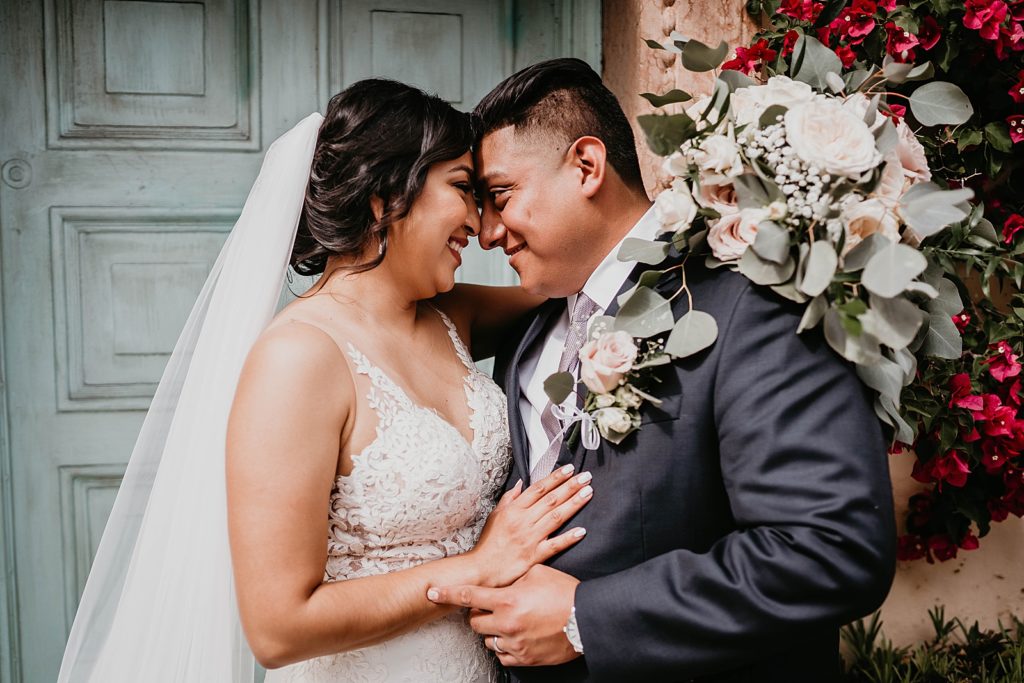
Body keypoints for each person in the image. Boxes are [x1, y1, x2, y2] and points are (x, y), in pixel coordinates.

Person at [58, 79, 594, 683]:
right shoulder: (299, 358)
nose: (479, 220)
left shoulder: (453, 315)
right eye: (463, 189)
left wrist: (696, 231)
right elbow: (278, 627)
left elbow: (584, 292)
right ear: (385, 196)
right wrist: (476, 567)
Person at [426, 58, 897, 683]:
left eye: (501, 196)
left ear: (587, 167)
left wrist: (583, 618)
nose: (486, 232)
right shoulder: (527, 334)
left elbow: (831, 548)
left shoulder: (748, 302)